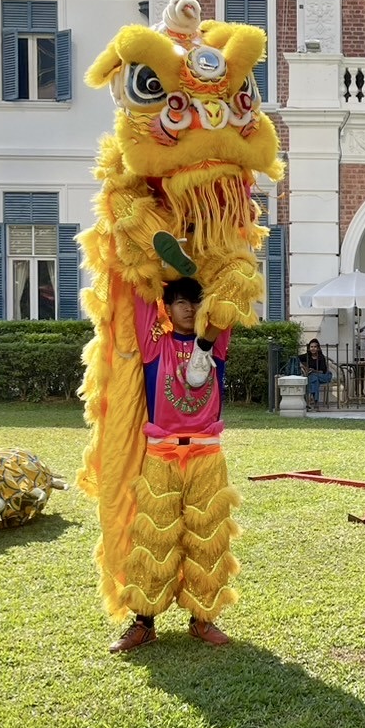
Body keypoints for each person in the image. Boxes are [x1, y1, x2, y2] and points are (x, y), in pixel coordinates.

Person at [108, 277, 236, 653]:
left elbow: (231, 298)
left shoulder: (214, 342)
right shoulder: (155, 343)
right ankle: (144, 623)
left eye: (194, 301)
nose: (188, 308)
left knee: (207, 538)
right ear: (166, 307)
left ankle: (202, 618)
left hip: (206, 454)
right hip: (161, 455)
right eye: (179, 301)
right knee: (153, 540)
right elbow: (140, 287)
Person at [299, 338, 334, 411]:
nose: (313, 348)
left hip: (324, 376)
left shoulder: (321, 357)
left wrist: (313, 370)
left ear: (318, 348)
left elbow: (323, 371)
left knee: (313, 377)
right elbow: (296, 358)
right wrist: (303, 367)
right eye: (311, 347)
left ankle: (309, 400)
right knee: (314, 379)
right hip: (315, 377)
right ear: (309, 348)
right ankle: (316, 403)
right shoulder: (307, 356)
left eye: (315, 347)